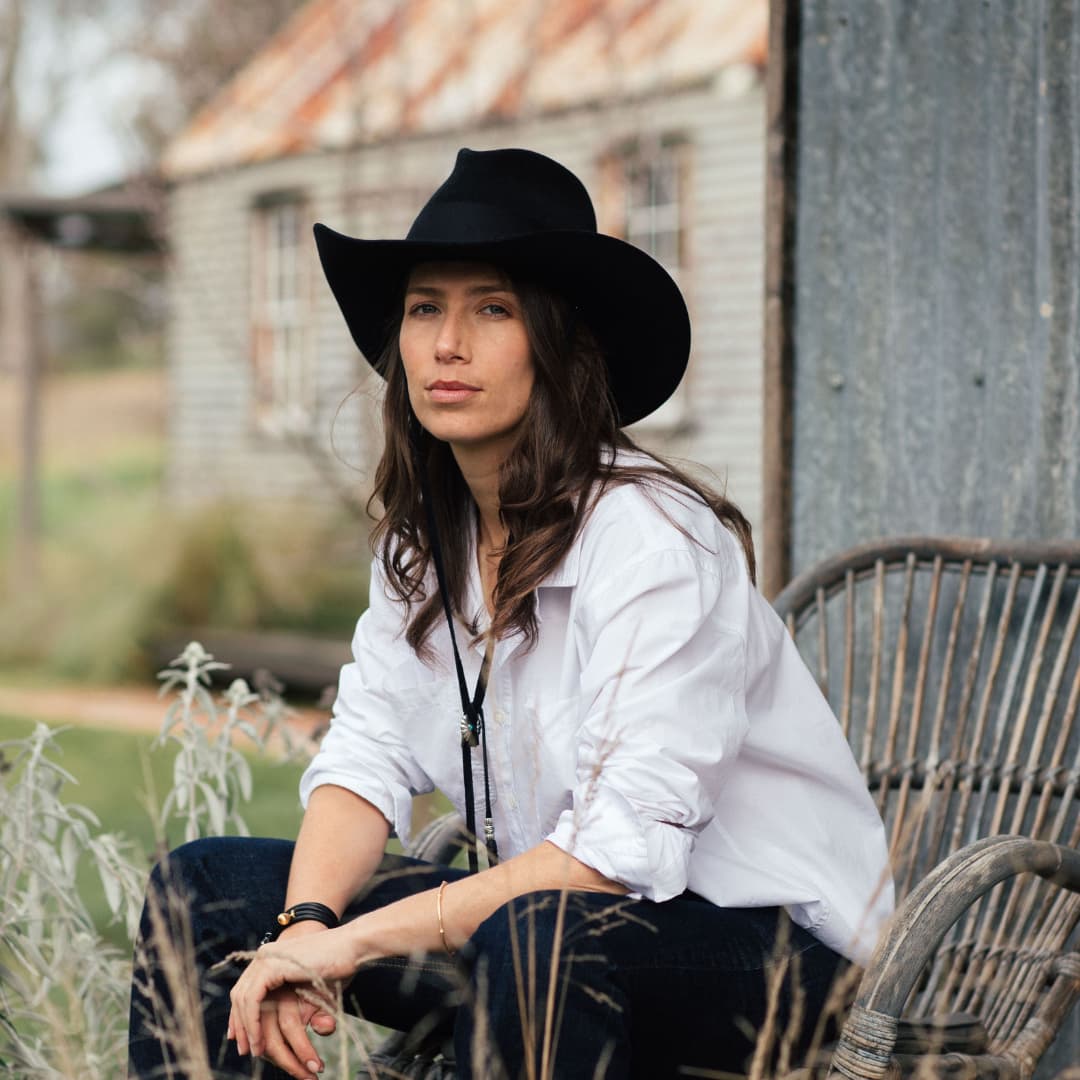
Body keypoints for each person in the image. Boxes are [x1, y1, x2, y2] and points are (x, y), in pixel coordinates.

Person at [128, 147, 893, 1080]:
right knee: (203, 888)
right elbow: (365, 757)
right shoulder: (425, 548)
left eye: (491, 308)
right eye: (424, 308)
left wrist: (357, 946)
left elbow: (618, 855)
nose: (447, 344)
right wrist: (303, 930)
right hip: (548, 930)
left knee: (534, 938)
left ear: (559, 343)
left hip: (774, 952)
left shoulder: (652, 540)